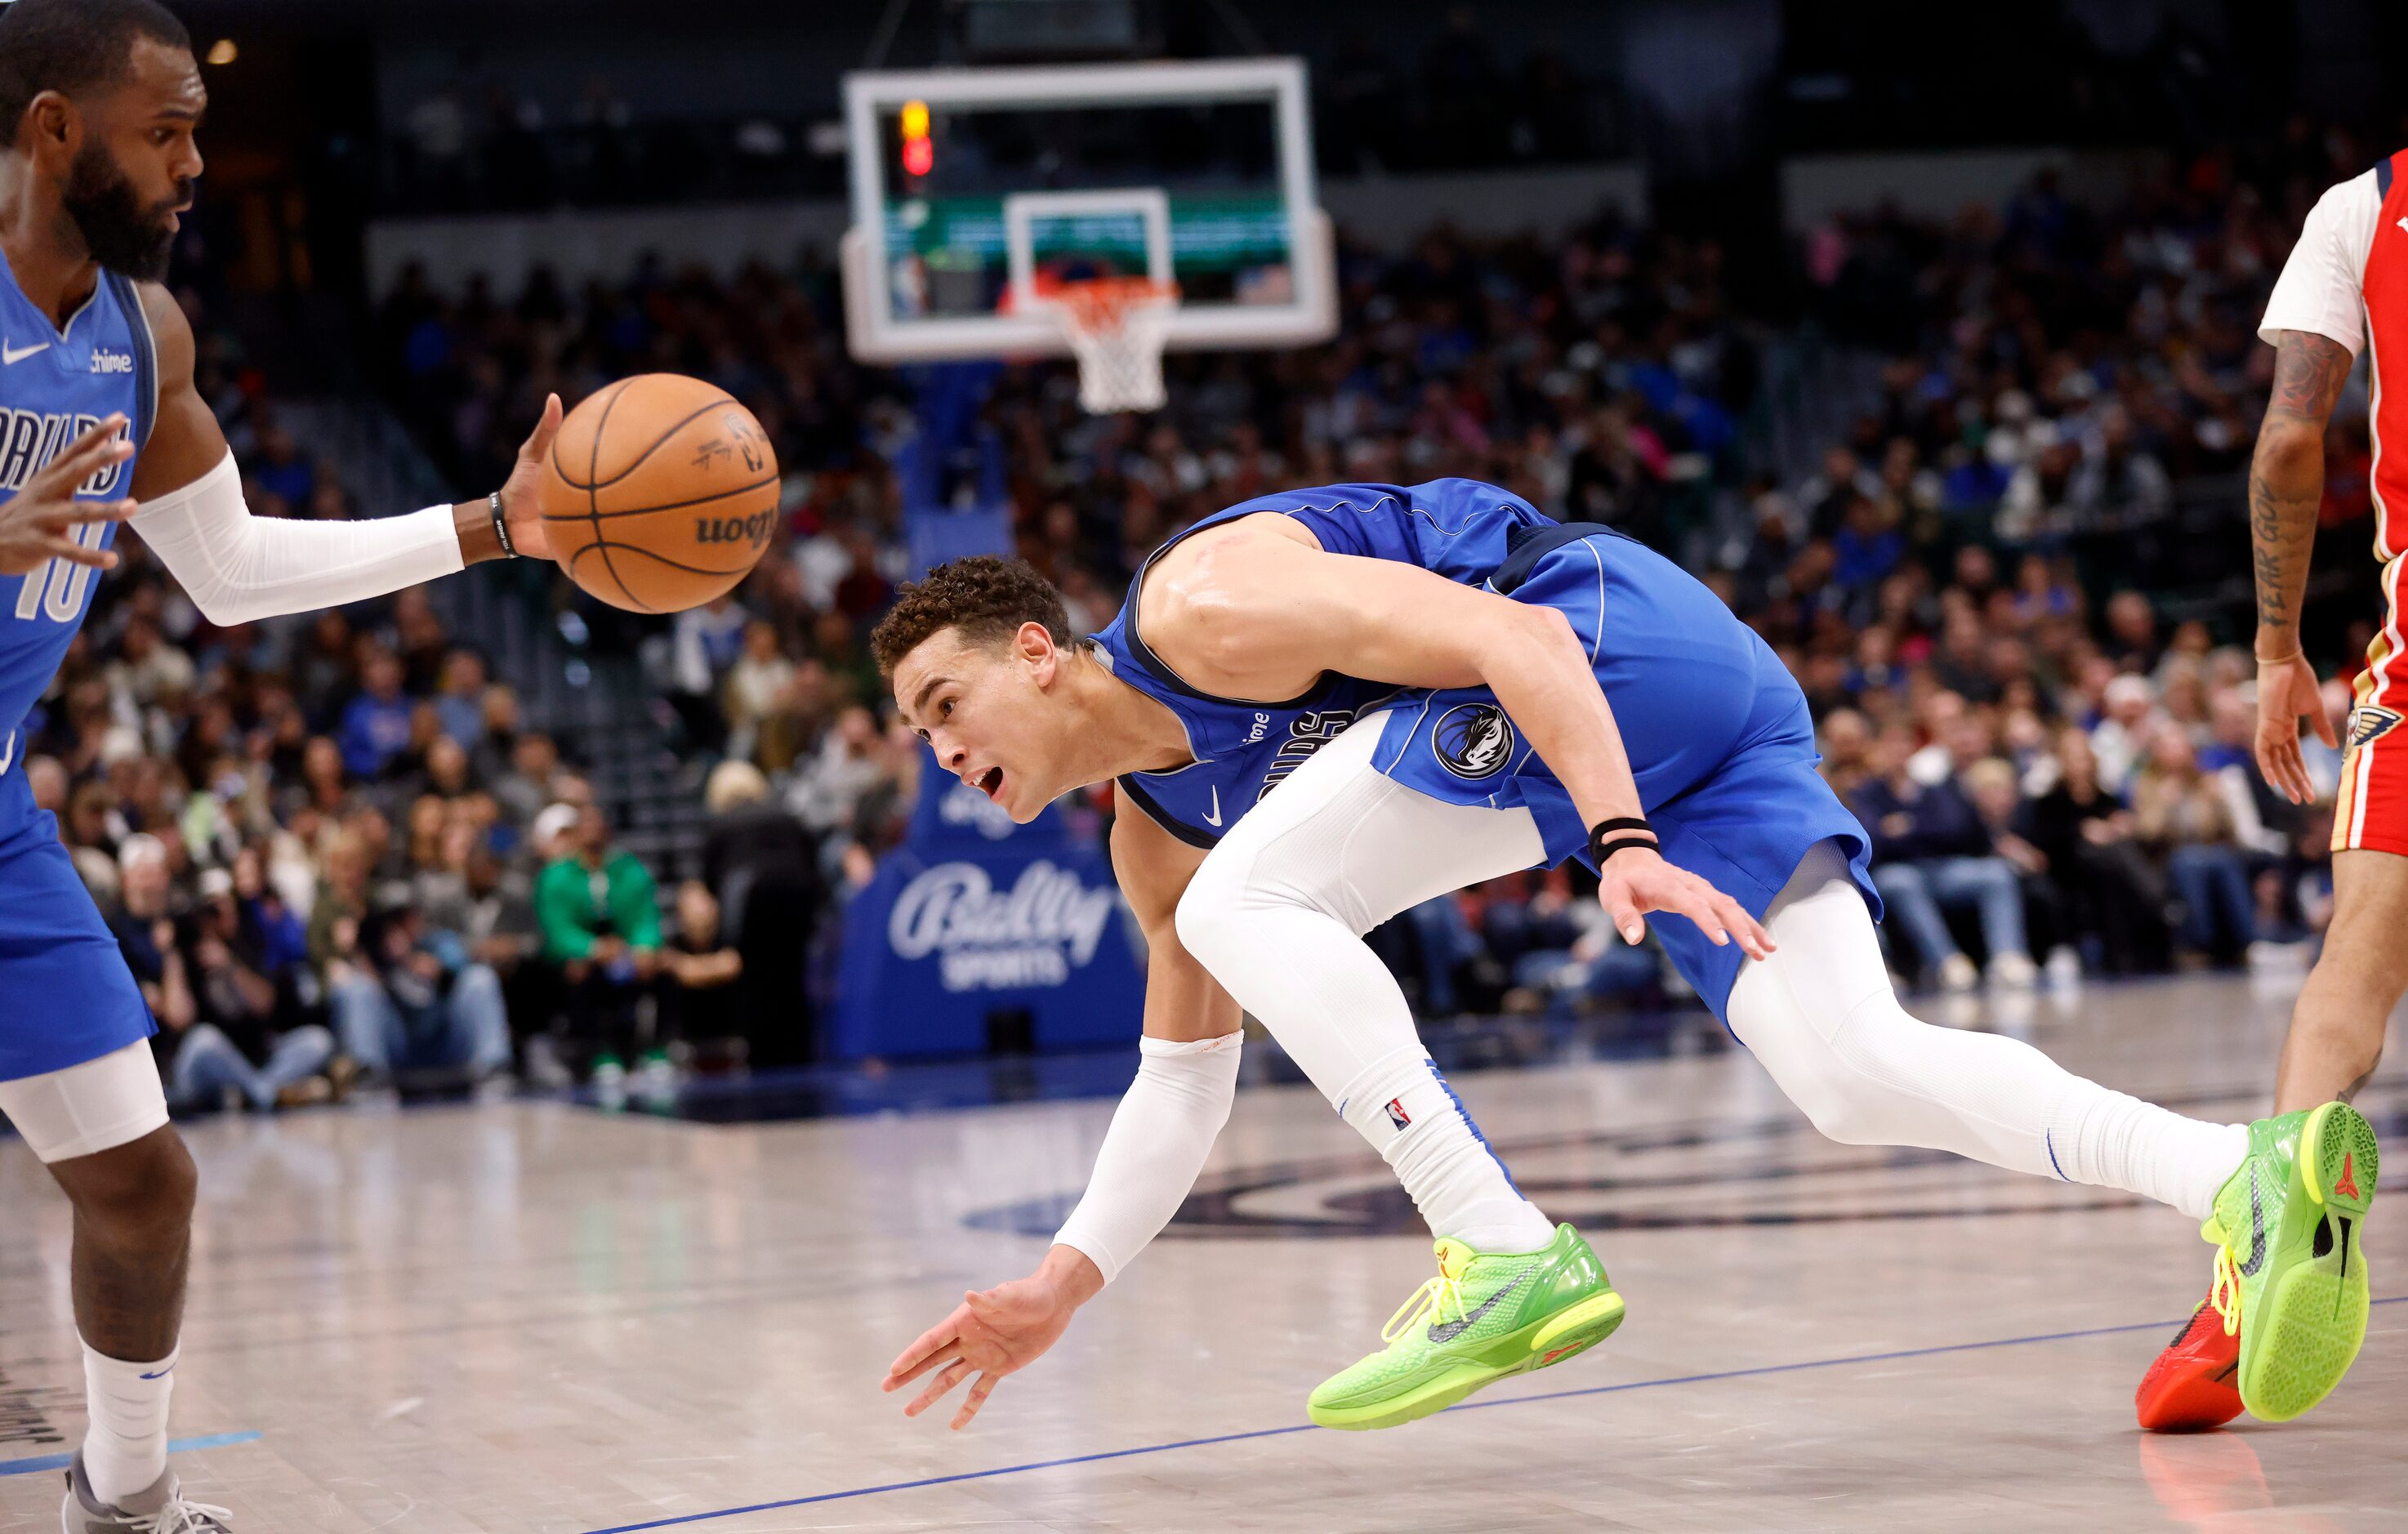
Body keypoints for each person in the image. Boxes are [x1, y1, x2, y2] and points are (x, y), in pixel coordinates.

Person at [867, 480, 2372, 1438]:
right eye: (918, 736)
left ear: (1042, 653)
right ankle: (2235, 1176)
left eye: (949, 702)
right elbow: (1183, 1087)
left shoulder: (1202, 607)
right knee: (1849, 1067)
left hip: (1599, 632)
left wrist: (1624, 837)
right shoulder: (1158, 839)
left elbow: (1518, 647)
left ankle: (1501, 1249)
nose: (944, 753)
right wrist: (1064, 1285)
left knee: (1246, 905)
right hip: (1697, 721)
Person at [0, 5, 574, 1525]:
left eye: (197, 130)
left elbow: (234, 570)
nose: (196, 164)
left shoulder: (141, 336)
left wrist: (489, 526)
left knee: (141, 1184)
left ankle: (118, 1505)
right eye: (166, 129)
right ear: (56, 130)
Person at [2133, 142, 2402, 1433]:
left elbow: (2296, 438)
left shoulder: (2365, 209)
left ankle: (2261, 1262)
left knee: (2356, 955)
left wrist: (2276, 648)